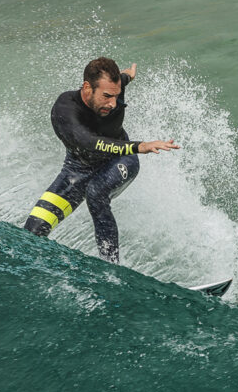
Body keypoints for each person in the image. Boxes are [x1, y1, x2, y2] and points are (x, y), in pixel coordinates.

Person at [23, 57, 179, 263]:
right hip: (77, 169)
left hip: (122, 159)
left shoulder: (114, 87)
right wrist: (139, 146)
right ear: (87, 87)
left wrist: (129, 75)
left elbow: (123, 78)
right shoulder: (65, 109)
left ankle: (110, 267)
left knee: (96, 192)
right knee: (31, 233)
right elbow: (88, 142)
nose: (113, 104)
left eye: (116, 95)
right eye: (106, 96)